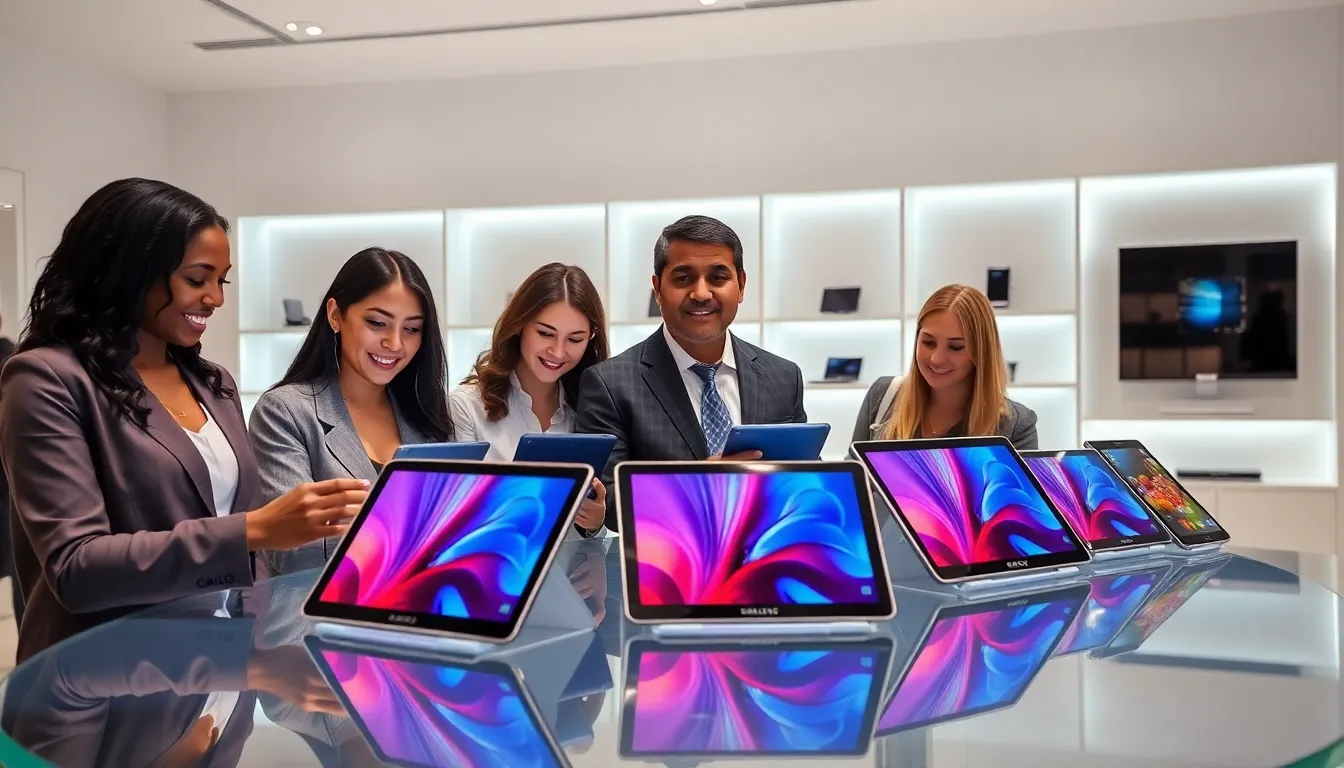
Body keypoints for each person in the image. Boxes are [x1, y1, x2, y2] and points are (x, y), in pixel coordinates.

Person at [0, 178, 368, 662]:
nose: (215, 298)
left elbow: (249, 562)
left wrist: (258, 654)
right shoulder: (46, 380)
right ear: (130, 272)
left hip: (222, 673)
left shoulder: (215, 385)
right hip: (102, 689)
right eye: (197, 279)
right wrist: (253, 529)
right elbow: (77, 569)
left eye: (223, 280)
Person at [576, 215, 807, 530]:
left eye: (718, 277)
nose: (701, 293)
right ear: (658, 289)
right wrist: (695, 484)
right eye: (683, 278)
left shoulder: (784, 377)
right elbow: (601, 499)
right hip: (661, 567)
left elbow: (806, 479)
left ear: (741, 285)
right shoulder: (610, 384)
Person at [249, 247, 454, 575]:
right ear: (335, 315)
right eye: (377, 322)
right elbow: (293, 553)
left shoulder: (428, 415)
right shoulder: (285, 412)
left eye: (412, 329)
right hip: (318, 620)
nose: (395, 343)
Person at [449, 263, 609, 538]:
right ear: (519, 325)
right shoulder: (467, 406)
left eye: (575, 339)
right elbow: (454, 517)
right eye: (545, 333)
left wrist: (594, 522)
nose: (558, 352)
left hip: (573, 575)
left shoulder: (591, 408)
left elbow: (590, 533)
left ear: (591, 338)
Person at [851, 284, 1038, 449]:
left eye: (956, 347)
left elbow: (1016, 490)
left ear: (982, 352)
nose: (937, 359)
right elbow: (853, 483)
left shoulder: (1016, 425)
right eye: (928, 342)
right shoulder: (884, 395)